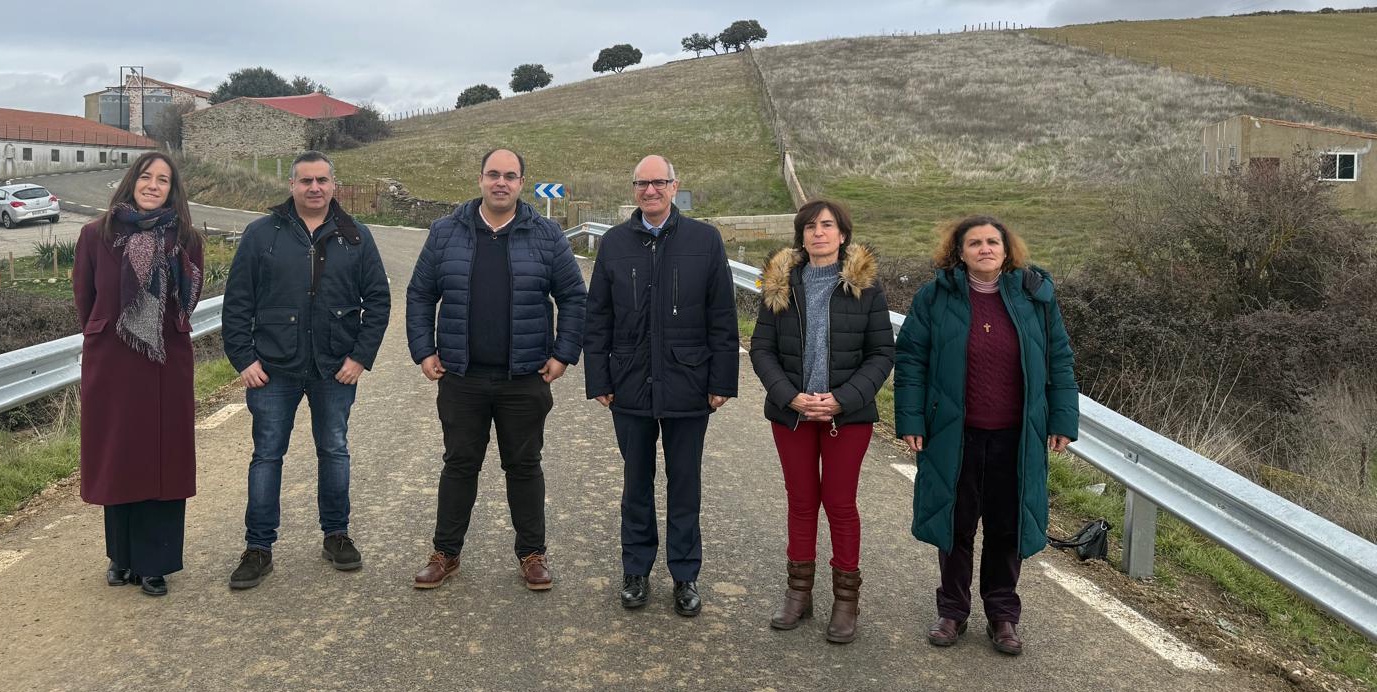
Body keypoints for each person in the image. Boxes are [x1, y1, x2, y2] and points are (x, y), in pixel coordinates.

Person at [894, 215, 1079, 655]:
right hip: (954, 435)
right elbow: (912, 363)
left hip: (1016, 438)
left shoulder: (1036, 297)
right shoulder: (934, 298)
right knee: (954, 526)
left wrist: (1061, 420)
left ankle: (1002, 616)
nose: (984, 248)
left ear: (1005, 248)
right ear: (959, 253)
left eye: (992, 241)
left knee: (1006, 527)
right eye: (974, 243)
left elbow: (1060, 360)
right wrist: (912, 421)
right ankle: (952, 612)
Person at [406, 148, 586, 591]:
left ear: (523, 183)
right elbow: (420, 294)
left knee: (524, 466)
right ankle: (446, 553)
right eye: (492, 175)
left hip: (523, 377)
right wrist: (423, 350)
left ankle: (532, 554)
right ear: (480, 180)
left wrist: (563, 354)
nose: (500, 182)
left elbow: (575, 297)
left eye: (510, 175)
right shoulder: (446, 232)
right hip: (461, 377)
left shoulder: (546, 235)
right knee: (459, 465)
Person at [222, 150, 391, 589]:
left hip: (334, 368)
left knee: (333, 450)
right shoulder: (261, 235)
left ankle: (336, 535)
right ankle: (258, 547)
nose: (314, 188)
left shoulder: (356, 237)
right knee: (266, 456)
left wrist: (360, 357)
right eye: (305, 181)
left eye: (322, 180)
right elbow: (237, 303)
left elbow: (378, 302)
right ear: (292, 186)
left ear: (335, 185)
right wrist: (244, 359)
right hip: (273, 368)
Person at [583, 155, 739, 617]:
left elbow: (722, 317)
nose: (650, 191)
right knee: (636, 484)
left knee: (685, 485)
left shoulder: (704, 241)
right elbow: (598, 318)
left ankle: (685, 575)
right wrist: (599, 379)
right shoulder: (613, 244)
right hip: (629, 384)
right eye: (641, 184)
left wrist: (722, 379)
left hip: (689, 385)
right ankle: (636, 570)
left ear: (675, 186)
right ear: (633, 189)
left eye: (659, 183)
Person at [749, 199, 894, 643]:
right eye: (810, 226)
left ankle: (845, 601)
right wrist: (789, 396)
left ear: (843, 234)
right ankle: (799, 594)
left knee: (840, 502)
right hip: (791, 414)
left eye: (827, 226)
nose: (818, 233)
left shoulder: (867, 290)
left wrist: (842, 400)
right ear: (801, 235)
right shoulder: (780, 286)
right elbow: (762, 350)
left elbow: (881, 354)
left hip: (845, 417)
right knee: (801, 500)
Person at [74, 152, 203, 597]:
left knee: (161, 457)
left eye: (163, 180)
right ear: (132, 181)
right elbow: (85, 299)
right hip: (112, 361)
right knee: (119, 455)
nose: (153, 185)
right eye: (146, 176)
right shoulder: (96, 235)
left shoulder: (185, 239)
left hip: (166, 363)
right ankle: (121, 557)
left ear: (173, 189)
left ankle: (155, 562)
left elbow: (188, 300)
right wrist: (112, 334)